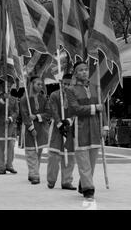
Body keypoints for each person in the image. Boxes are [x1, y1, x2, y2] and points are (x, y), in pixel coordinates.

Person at [66, 61, 109, 201]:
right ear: (75, 73)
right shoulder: (71, 90)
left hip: (95, 128)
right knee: (83, 161)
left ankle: (82, 182)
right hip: (80, 128)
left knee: (91, 161)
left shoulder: (96, 87)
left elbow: (103, 109)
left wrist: (105, 126)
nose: (84, 72)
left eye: (86, 69)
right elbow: (74, 109)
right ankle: (88, 189)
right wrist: (94, 108)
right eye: (80, 70)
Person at [46, 74, 76, 190]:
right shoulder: (54, 95)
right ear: (61, 83)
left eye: (69, 84)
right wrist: (59, 123)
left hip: (70, 128)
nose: (67, 86)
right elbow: (53, 109)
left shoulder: (75, 96)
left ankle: (66, 181)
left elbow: (75, 110)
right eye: (65, 84)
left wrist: (68, 121)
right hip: (56, 129)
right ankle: (51, 180)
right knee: (54, 155)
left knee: (70, 156)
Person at [20, 76, 51, 184]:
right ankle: (34, 175)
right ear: (31, 84)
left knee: (38, 152)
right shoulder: (25, 99)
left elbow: (48, 113)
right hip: (30, 130)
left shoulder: (44, 98)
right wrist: (31, 127)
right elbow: (24, 115)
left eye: (41, 84)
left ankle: (33, 172)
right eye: (38, 84)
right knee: (31, 152)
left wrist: (37, 117)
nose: (40, 86)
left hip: (42, 129)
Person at [0, 77, 19, 175]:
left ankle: (9, 165)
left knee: (11, 146)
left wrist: (11, 118)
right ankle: (1, 167)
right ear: (2, 86)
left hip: (10, 127)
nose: (8, 87)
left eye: (10, 85)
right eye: (6, 85)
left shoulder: (14, 99)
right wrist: (2, 100)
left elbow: (16, 112)